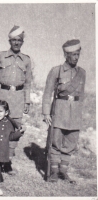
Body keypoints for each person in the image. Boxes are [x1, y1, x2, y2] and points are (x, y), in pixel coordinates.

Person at [42, 39, 86, 183]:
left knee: (71, 141)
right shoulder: (57, 70)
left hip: (75, 112)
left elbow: (82, 95)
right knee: (56, 140)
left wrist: (80, 114)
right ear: (65, 55)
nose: (76, 57)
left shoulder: (82, 73)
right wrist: (46, 113)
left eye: (78, 54)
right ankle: (54, 172)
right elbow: (47, 92)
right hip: (60, 109)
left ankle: (63, 172)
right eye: (73, 54)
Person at [0, 25, 32, 174]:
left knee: (15, 129)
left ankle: (7, 161)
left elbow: (27, 83)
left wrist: (27, 101)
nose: (16, 43)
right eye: (14, 40)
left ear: (22, 42)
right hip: (2, 96)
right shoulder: (0, 56)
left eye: (19, 40)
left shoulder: (26, 60)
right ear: (9, 40)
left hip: (18, 99)